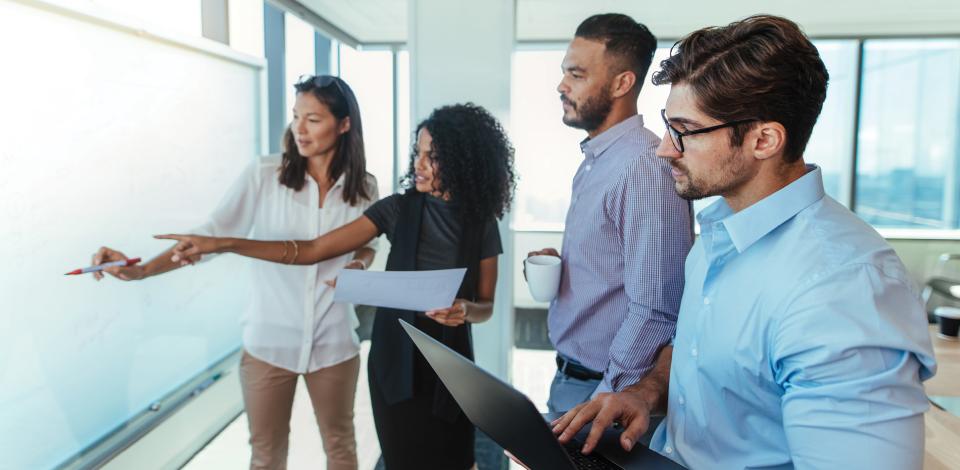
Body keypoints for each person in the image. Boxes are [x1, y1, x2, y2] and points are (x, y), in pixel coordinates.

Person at [547, 15, 937, 469]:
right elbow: (701, 356)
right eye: (667, 127)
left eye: (685, 131)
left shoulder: (844, 290)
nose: (664, 149)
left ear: (764, 140)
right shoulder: (718, 237)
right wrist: (644, 391)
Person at [157, 103, 517, 470]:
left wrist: (465, 310)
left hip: (451, 363)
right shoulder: (396, 209)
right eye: (418, 153)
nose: (419, 164)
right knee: (402, 459)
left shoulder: (481, 224)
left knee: (456, 458)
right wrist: (226, 243)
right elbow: (312, 250)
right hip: (395, 360)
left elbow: (485, 304)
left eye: (433, 157)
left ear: (463, 161)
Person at [92, 75, 377, 470]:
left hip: (334, 340)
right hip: (269, 341)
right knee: (266, 457)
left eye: (313, 119)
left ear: (344, 124)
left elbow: (367, 241)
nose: (299, 128)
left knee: (341, 448)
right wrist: (141, 271)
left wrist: (359, 264)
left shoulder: (364, 187)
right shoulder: (264, 175)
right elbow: (213, 235)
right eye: (296, 116)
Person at [525, 13, 692, 413]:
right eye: (565, 72)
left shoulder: (643, 168)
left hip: (601, 390)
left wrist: (606, 396)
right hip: (574, 378)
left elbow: (657, 308)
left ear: (622, 83)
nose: (562, 86)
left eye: (577, 75)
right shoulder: (598, 159)